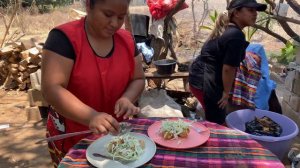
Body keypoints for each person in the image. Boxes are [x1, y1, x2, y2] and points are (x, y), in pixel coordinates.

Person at [41, 0, 145, 167]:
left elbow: (138, 79)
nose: (115, 23)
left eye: (121, 17)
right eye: (108, 15)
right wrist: (92, 117)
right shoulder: (63, 38)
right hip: (73, 135)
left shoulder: (126, 40)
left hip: (114, 135)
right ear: (89, 5)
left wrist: (127, 98)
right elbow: (51, 89)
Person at [188, 0, 267, 124]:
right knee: (216, 122)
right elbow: (228, 69)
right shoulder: (236, 35)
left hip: (199, 77)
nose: (255, 14)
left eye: (256, 11)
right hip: (205, 81)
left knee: (215, 118)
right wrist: (226, 93)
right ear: (236, 13)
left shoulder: (228, 30)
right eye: (251, 10)